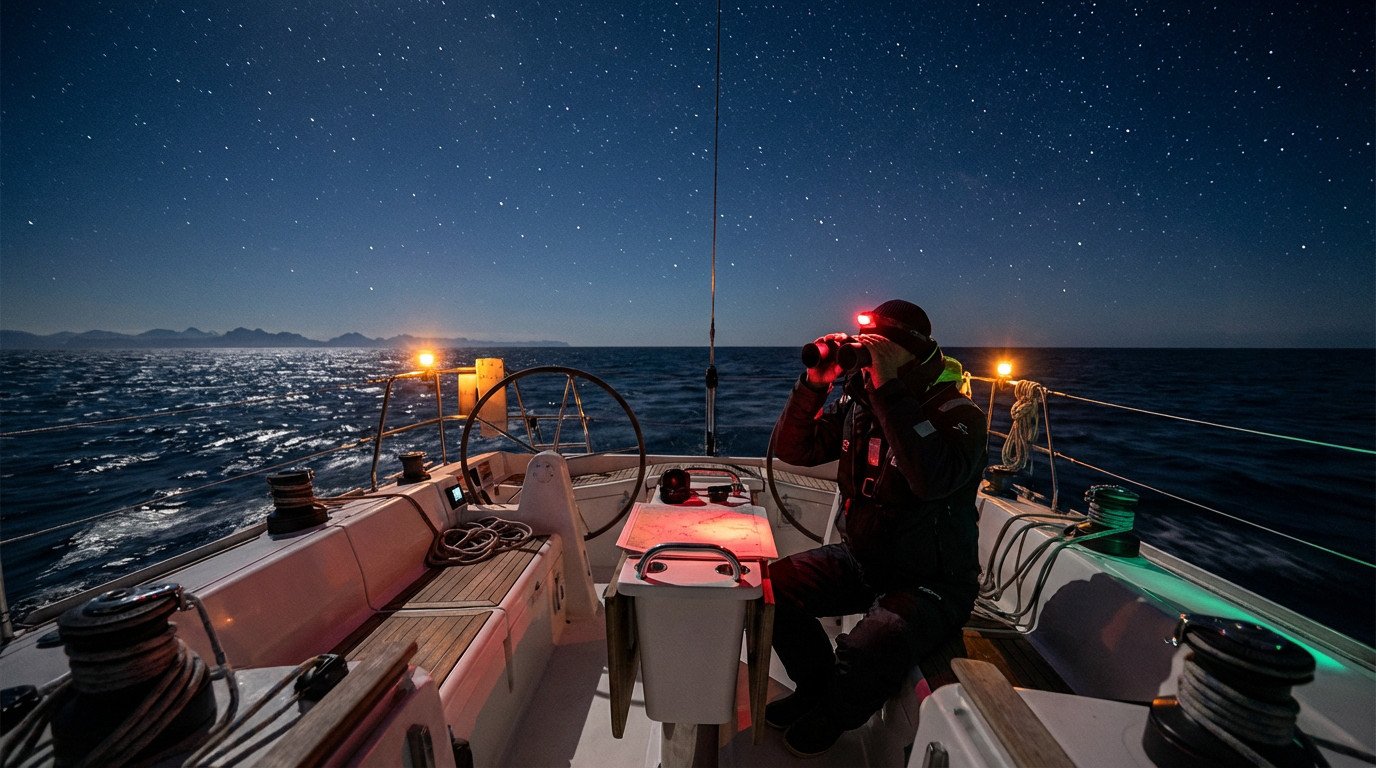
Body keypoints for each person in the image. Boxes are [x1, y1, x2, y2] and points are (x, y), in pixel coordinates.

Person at [766, 299, 987, 757]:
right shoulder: (859, 400)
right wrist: (814, 386)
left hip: (933, 580)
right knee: (771, 589)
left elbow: (930, 479)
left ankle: (833, 715)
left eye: (876, 348)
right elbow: (794, 449)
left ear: (909, 352)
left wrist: (887, 388)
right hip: (864, 559)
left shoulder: (958, 413)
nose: (864, 359)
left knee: (870, 648)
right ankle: (814, 688)